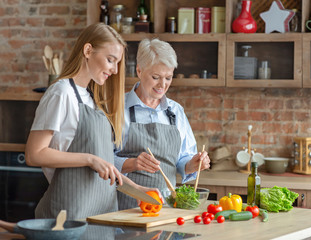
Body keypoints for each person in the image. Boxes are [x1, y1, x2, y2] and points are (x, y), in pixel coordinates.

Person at [25, 23, 158, 220]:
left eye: (117, 63)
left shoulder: (92, 100)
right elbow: (34, 154)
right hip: (68, 216)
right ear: (88, 50)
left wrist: (137, 189)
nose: (114, 70)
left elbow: (104, 166)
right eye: (110, 60)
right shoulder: (62, 93)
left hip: (102, 217)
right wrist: (89, 159)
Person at [114, 38, 211, 210]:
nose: (162, 85)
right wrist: (132, 163)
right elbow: (101, 159)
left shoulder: (176, 111)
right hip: (126, 207)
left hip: (167, 207)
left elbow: (182, 161)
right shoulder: (117, 108)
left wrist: (193, 164)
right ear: (139, 70)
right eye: (156, 77)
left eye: (168, 77)